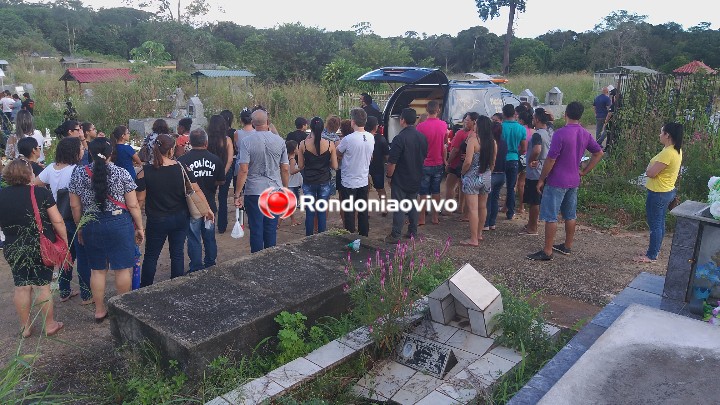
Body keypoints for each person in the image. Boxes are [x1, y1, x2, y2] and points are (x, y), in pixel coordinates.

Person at [69, 138, 144, 322]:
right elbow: (133, 205)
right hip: (119, 223)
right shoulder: (122, 173)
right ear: (111, 153)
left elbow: (75, 207)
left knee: (97, 270)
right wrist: (140, 227)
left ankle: (100, 310)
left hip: (92, 224)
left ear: (91, 153)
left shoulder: (78, 174)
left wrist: (80, 228)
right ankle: (122, 310)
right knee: (122, 269)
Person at [527, 102, 604, 261]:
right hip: (574, 179)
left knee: (551, 216)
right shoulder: (584, 133)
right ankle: (567, 246)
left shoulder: (560, 133)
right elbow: (598, 153)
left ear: (566, 114)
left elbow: (551, 159)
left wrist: (541, 179)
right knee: (570, 214)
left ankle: (547, 250)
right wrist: (584, 171)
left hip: (557, 180)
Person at [0, 159, 67, 337]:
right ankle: (50, 325)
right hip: (40, 245)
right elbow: (57, 220)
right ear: (29, 174)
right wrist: (65, 240)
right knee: (42, 286)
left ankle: (25, 327)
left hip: (13, 245)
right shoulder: (40, 193)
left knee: (21, 286)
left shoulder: (1, 195)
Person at [136, 134, 213, 285]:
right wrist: (207, 209)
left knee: (151, 256)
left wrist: (136, 223)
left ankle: (145, 288)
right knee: (177, 253)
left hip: (157, 219)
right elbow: (196, 190)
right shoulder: (181, 168)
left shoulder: (145, 172)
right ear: (171, 150)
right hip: (180, 217)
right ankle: (175, 286)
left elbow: (139, 201)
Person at [35, 137, 92, 304]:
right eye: (81, 149)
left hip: (56, 218)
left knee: (65, 256)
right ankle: (87, 294)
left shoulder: (50, 169)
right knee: (83, 257)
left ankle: (64, 291)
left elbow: (34, 184)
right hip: (75, 218)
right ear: (74, 152)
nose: (83, 151)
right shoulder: (78, 170)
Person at [234, 110, 289, 253]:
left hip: (254, 190)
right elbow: (284, 168)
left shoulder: (246, 142)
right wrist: (286, 188)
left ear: (252, 123)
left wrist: (237, 193)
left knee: (256, 228)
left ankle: (256, 259)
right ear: (268, 121)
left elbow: (244, 169)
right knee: (271, 228)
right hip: (274, 189)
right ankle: (269, 257)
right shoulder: (280, 140)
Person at [636, 123, 683, 263]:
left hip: (658, 192)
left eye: (661, 132)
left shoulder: (667, 153)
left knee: (655, 224)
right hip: (667, 190)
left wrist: (649, 168)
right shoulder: (676, 150)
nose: (659, 135)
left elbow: (651, 173)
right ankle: (655, 250)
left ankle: (651, 255)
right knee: (660, 223)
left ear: (667, 135)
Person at [178, 129, 225, 272]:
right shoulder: (215, 159)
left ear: (190, 142)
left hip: (191, 206)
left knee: (193, 237)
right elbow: (221, 181)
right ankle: (211, 262)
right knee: (209, 236)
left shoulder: (182, 161)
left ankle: (196, 266)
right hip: (209, 203)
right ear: (206, 142)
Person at [384, 108, 428, 243]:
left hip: (401, 178)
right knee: (412, 205)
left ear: (402, 120)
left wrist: (389, 177)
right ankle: (412, 231)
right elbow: (424, 156)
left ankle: (396, 234)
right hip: (416, 176)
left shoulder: (399, 138)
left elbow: (392, 162)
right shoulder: (422, 137)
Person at [297, 117, 338, 236]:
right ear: (322, 128)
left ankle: (308, 237)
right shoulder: (330, 144)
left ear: (311, 128)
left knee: (310, 212)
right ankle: (321, 237)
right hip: (324, 181)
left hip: (309, 181)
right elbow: (335, 166)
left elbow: (301, 165)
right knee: (321, 211)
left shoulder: (303, 144)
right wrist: (326, 163)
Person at [460, 115, 496, 246]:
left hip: (472, 177)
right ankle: (479, 234)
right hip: (486, 176)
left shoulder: (473, 141)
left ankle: (473, 238)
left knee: (473, 209)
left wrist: (463, 172)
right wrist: (488, 173)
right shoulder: (493, 142)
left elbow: (468, 161)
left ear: (479, 126)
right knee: (483, 207)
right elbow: (493, 163)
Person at [337, 108, 374, 236]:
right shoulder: (370, 137)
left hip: (349, 181)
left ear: (353, 122)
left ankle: (350, 237)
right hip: (363, 179)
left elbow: (338, 152)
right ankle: (364, 236)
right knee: (363, 211)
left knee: (349, 213)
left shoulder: (348, 139)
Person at [520, 108, 553, 236]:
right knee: (537, 199)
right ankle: (531, 224)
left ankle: (532, 227)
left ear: (537, 119)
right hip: (544, 168)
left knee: (534, 201)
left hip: (535, 171)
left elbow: (537, 149)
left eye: (534, 117)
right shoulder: (549, 131)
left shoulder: (537, 134)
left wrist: (532, 159)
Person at [416, 100, 447, 226]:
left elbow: (417, 145)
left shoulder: (421, 127)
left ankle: (422, 218)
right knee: (436, 191)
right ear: (438, 110)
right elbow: (445, 144)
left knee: (423, 193)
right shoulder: (443, 125)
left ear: (426, 110)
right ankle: (435, 217)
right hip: (438, 162)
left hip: (424, 163)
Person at [446, 112, 479, 221]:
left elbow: (454, 150)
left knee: (450, 186)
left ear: (474, 122)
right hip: (468, 165)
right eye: (465, 119)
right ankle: (460, 207)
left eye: (467, 120)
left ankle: (448, 209)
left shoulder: (461, 133)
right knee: (462, 186)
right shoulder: (476, 135)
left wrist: (448, 161)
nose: (465, 122)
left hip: (457, 164)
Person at [207, 115, 234, 234]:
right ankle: (222, 226)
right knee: (223, 198)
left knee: (209, 197)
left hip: (209, 172)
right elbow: (230, 159)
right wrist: (223, 172)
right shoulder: (227, 139)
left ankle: (208, 222)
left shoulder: (207, 140)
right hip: (225, 171)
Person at [501, 104, 527, 220]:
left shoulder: (500, 127)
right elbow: (524, 148)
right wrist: (517, 153)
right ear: (514, 114)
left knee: (495, 186)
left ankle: (491, 211)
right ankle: (510, 212)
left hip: (501, 159)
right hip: (514, 159)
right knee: (511, 187)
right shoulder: (521, 128)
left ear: (504, 114)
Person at [484, 120, 508, 231]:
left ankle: (485, 223)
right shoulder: (504, 143)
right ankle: (492, 223)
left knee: (487, 200)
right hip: (502, 174)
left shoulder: (489, 143)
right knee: (495, 200)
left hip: (492, 174)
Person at [367, 116, 389, 216]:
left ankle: (365, 210)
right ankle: (384, 208)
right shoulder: (381, 139)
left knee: (365, 190)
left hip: (365, 168)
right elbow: (387, 155)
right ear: (375, 127)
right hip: (378, 167)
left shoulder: (364, 137)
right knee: (380, 189)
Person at [515, 110, 534, 216]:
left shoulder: (520, 129)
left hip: (519, 156)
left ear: (521, 120)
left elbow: (520, 146)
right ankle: (521, 207)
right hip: (528, 158)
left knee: (513, 183)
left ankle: (508, 206)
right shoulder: (532, 131)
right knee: (522, 184)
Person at [282, 140, 303, 227]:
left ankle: (293, 220)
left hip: (292, 184)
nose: (298, 150)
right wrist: (301, 168)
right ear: (294, 150)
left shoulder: (287, 158)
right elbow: (292, 171)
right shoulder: (292, 160)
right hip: (292, 185)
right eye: (297, 148)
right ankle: (279, 221)